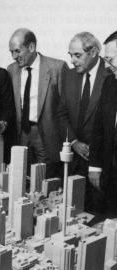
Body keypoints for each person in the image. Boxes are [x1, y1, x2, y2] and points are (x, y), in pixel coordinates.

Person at [57, 32, 108, 213]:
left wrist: (96, 153)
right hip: (74, 160)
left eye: (77, 55)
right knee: (74, 211)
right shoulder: (69, 76)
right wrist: (74, 142)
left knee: (99, 215)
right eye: (70, 55)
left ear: (93, 52)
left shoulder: (111, 74)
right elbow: (61, 114)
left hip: (102, 163)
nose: (72, 60)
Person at [8, 28, 68, 177]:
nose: (14, 56)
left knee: (46, 178)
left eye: (17, 51)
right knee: (22, 176)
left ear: (31, 47)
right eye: (11, 52)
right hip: (21, 133)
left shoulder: (57, 68)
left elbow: (66, 108)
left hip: (47, 134)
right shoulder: (11, 70)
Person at [89, 31, 117, 216]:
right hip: (111, 177)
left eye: (111, 59)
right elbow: (98, 127)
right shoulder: (109, 83)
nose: (106, 66)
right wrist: (95, 167)